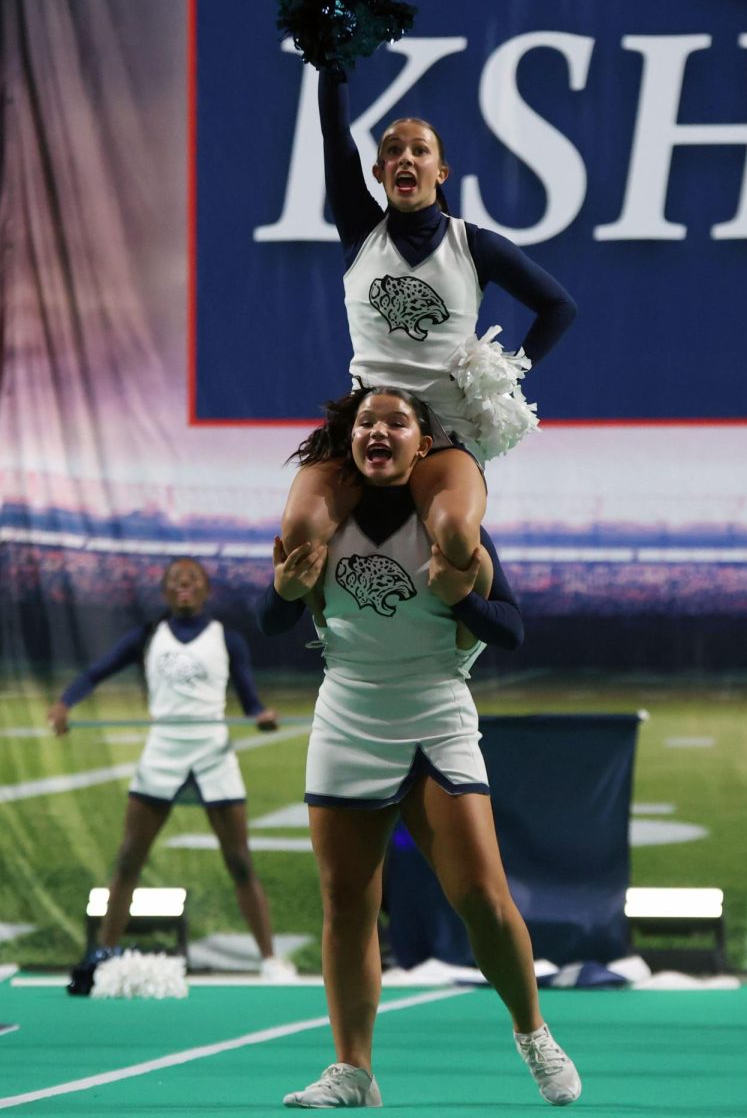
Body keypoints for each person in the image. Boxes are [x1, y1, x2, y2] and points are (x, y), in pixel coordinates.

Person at [259, 386, 581, 1109]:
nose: (379, 431)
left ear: (423, 444)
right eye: (367, 422)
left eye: (396, 422)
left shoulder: (449, 521)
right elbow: (273, 620)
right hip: (349, 706)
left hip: (436, 708)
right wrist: (281, 593)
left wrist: (462, 598)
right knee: (347, 901)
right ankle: (353, 1071)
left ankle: (532, 1031)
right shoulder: (323, 518)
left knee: (480, 898)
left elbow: (512, 630)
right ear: (352, 442)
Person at [281, 63, 577, 578]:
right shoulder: (361, 234)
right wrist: (332, 62)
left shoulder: (475, 245)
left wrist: (505, 376)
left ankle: (474, 629)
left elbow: (559, 307)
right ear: (378, 173)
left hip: (445, 429)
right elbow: (335, 135)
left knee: (457, 536)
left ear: (440, 172)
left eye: (420, 151)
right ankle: (327, 630)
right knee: (300, 529)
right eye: (393, 150)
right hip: (366, 427)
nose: (405, 158)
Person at [47, 556, 296, 983]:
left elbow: (251, 702)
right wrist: (65, 704)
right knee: (128, 858)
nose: (184, 585)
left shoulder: (227, 639)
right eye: (176, 580)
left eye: (192, 579)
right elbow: (96, 671)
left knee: (239, 861)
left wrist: (261, 716)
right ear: (165, 592)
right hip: (162, 752)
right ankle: (104, 953)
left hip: (213, 754)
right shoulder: (147, 636)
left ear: (205, 590)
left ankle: (270, 959)